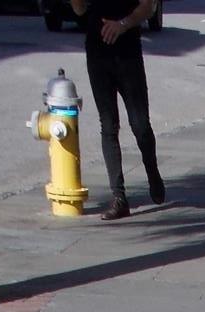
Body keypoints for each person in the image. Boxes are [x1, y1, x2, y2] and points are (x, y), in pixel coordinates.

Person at [68, 0, 165, 221]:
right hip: (97, 53)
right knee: (108, 125)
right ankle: (119, 198)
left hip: (128, 53)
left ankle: (152, 171)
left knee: (140, 124)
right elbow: (79, 9)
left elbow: (149, 6)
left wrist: (122, 24)